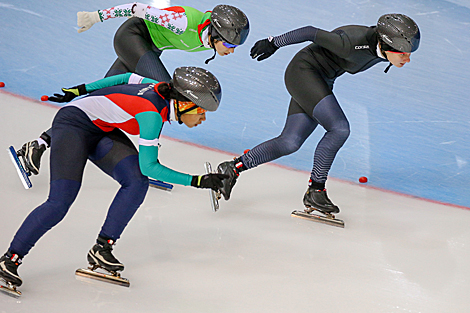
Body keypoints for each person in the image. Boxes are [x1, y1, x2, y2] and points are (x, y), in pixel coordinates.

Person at [0, 66, 228, 289]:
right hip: (73, 125)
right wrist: (196, 180)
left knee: (137, 182)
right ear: (184, 103)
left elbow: (127, 77)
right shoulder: (152, 115)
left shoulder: (158, 87)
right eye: (201, 111)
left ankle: (102, 248)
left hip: (102, 129)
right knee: (60, 201)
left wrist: (82, 89)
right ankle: (9, 260)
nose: (203, 118)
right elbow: (150, 166)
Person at [217, 14, 420, 214]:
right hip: (303, 73)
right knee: (339, 129)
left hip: (320, 80)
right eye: (403, 53)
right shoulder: (351, 43)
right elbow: (310, 32)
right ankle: (316, 189)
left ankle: (232, 168)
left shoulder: (381, 44)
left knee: (289, 142)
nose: (407, 58)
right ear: (386, 45)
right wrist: (273, 43)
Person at [17, 3, 249, 177]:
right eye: (229, 44)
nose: (231, 51)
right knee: (167, 95)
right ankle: (149, 163)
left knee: (98, 102)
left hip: (149, 48)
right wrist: (94, 17)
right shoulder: (182, 21)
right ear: (216, 33)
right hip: (132, 38)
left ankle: (37, 144)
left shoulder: (209, 36)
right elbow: (136, 8)